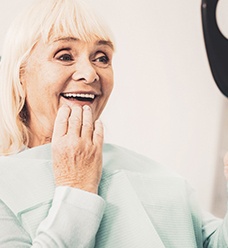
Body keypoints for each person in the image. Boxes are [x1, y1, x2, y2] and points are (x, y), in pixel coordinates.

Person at [0, 0, 227, 247]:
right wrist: (77, 188)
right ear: (20, 74)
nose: (90, 73)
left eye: (101, 58)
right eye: (65, 56)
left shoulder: (157, 175)